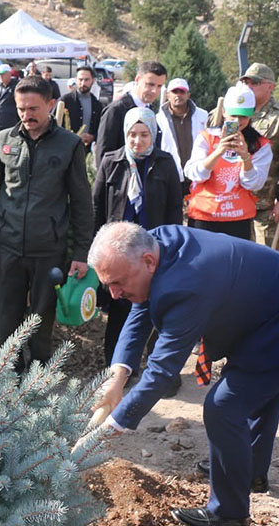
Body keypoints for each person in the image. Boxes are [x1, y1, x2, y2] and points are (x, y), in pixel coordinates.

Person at [89, 222, 279, 526]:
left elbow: (162, 370)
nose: (114, 294)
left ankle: (227, 514)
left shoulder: (188, 282)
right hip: (266, 315)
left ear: (147, 261)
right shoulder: (153, 242)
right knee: (255, 396)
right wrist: (117, 378)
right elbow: (140, 310)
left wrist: (116, 423)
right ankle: (248, 472)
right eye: (108, 284)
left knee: (224, 406)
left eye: (118, 282)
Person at [0, 75, 94, 372]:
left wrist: (81, 254)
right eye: (21, 109)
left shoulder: (68, 145)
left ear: (51, 105)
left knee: (41, 319)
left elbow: (81, 203)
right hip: (8, 248)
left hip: (49, 250)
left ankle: (38, 376)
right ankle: (9, 374)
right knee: (7, 317)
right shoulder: (4, 141)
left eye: (33, 109)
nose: (26, 115)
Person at [92, 107, 183, 373]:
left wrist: (171, 250)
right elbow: (96, 208)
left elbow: (174, 210)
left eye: (144, 134)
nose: (137, 140)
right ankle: (116, 369)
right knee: (121, 312)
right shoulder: (112, 161)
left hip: (153, 252)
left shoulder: (164, 163)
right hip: (119, 253)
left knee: (158, 310)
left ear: (153, 134)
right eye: (132, 134)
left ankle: (159, 371)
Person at [221, 64, 279, 251]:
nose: (248, 85)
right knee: (238, 257)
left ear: (270, 86)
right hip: (233, 200)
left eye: (254, 82)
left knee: (268, 259)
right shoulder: (231, 109)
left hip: (266, 202)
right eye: (244, 81)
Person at [184, 84, 271, 240]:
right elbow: (194, 174)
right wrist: (218, 152)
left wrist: (245, 157)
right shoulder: (206, 137)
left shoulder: (260, 145)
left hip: (237, 219)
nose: (237, 121)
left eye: (243, 116)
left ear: (252, 114)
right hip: (204, 217)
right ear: (223, 112)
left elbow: (254, 184)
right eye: (233, 115)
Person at [95, 61, 167, 165]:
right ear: (137, 80)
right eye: (150, 84)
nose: (154, 91)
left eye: (159, 86)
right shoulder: (116, 110)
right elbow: (104, 155)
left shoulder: (151, 111)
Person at [157, 78, 208, 192]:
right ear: (168, 95)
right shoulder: (158, 120)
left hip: (198, 177)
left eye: (182, 92)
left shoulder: (203, 116)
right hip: (171, 178)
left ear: (188, 95)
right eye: (175, 92)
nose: (178, 95)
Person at [59, 66, 101, 149]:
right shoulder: (65, 101)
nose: (83, 83)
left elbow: (101, 128)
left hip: (87, 150)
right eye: (80, 80)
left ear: (93, 80)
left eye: (86, 80)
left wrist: (92, 137)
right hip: (65, 148)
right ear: (76, 80)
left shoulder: (97, 105)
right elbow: (53, 124)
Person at [0, 64, 19, 135]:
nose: (1, 76)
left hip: (10, 124)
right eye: (0, 74)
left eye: (3, 74)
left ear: (9, 74)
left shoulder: (16, 87)